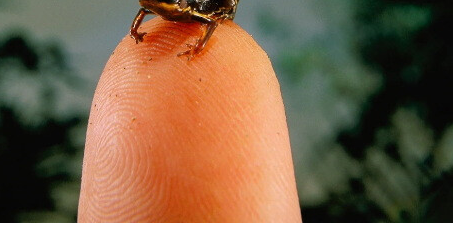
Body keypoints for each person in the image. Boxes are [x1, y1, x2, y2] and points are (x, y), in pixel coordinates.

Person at [78, 16, 302, 222]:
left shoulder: (193, 8)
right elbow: (144, 7)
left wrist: (199, 45)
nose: (147, 1)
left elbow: (212, 23)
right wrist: (135, 32)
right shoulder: (154, 6)